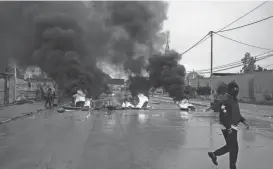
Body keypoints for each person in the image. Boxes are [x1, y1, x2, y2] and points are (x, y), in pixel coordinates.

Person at [208, 81, 250, 169]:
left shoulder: (234, 100)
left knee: (231, 147)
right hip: (228, 126)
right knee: (233, 148)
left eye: (237, 88)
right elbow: (222, 112)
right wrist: (228, 127)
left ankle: (214, 154)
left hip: (231, 126)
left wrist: (244, 121)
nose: (236, 90)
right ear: (230, 90)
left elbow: (237, 114)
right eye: (234, 89)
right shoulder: (226, 99)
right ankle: (231, 166)